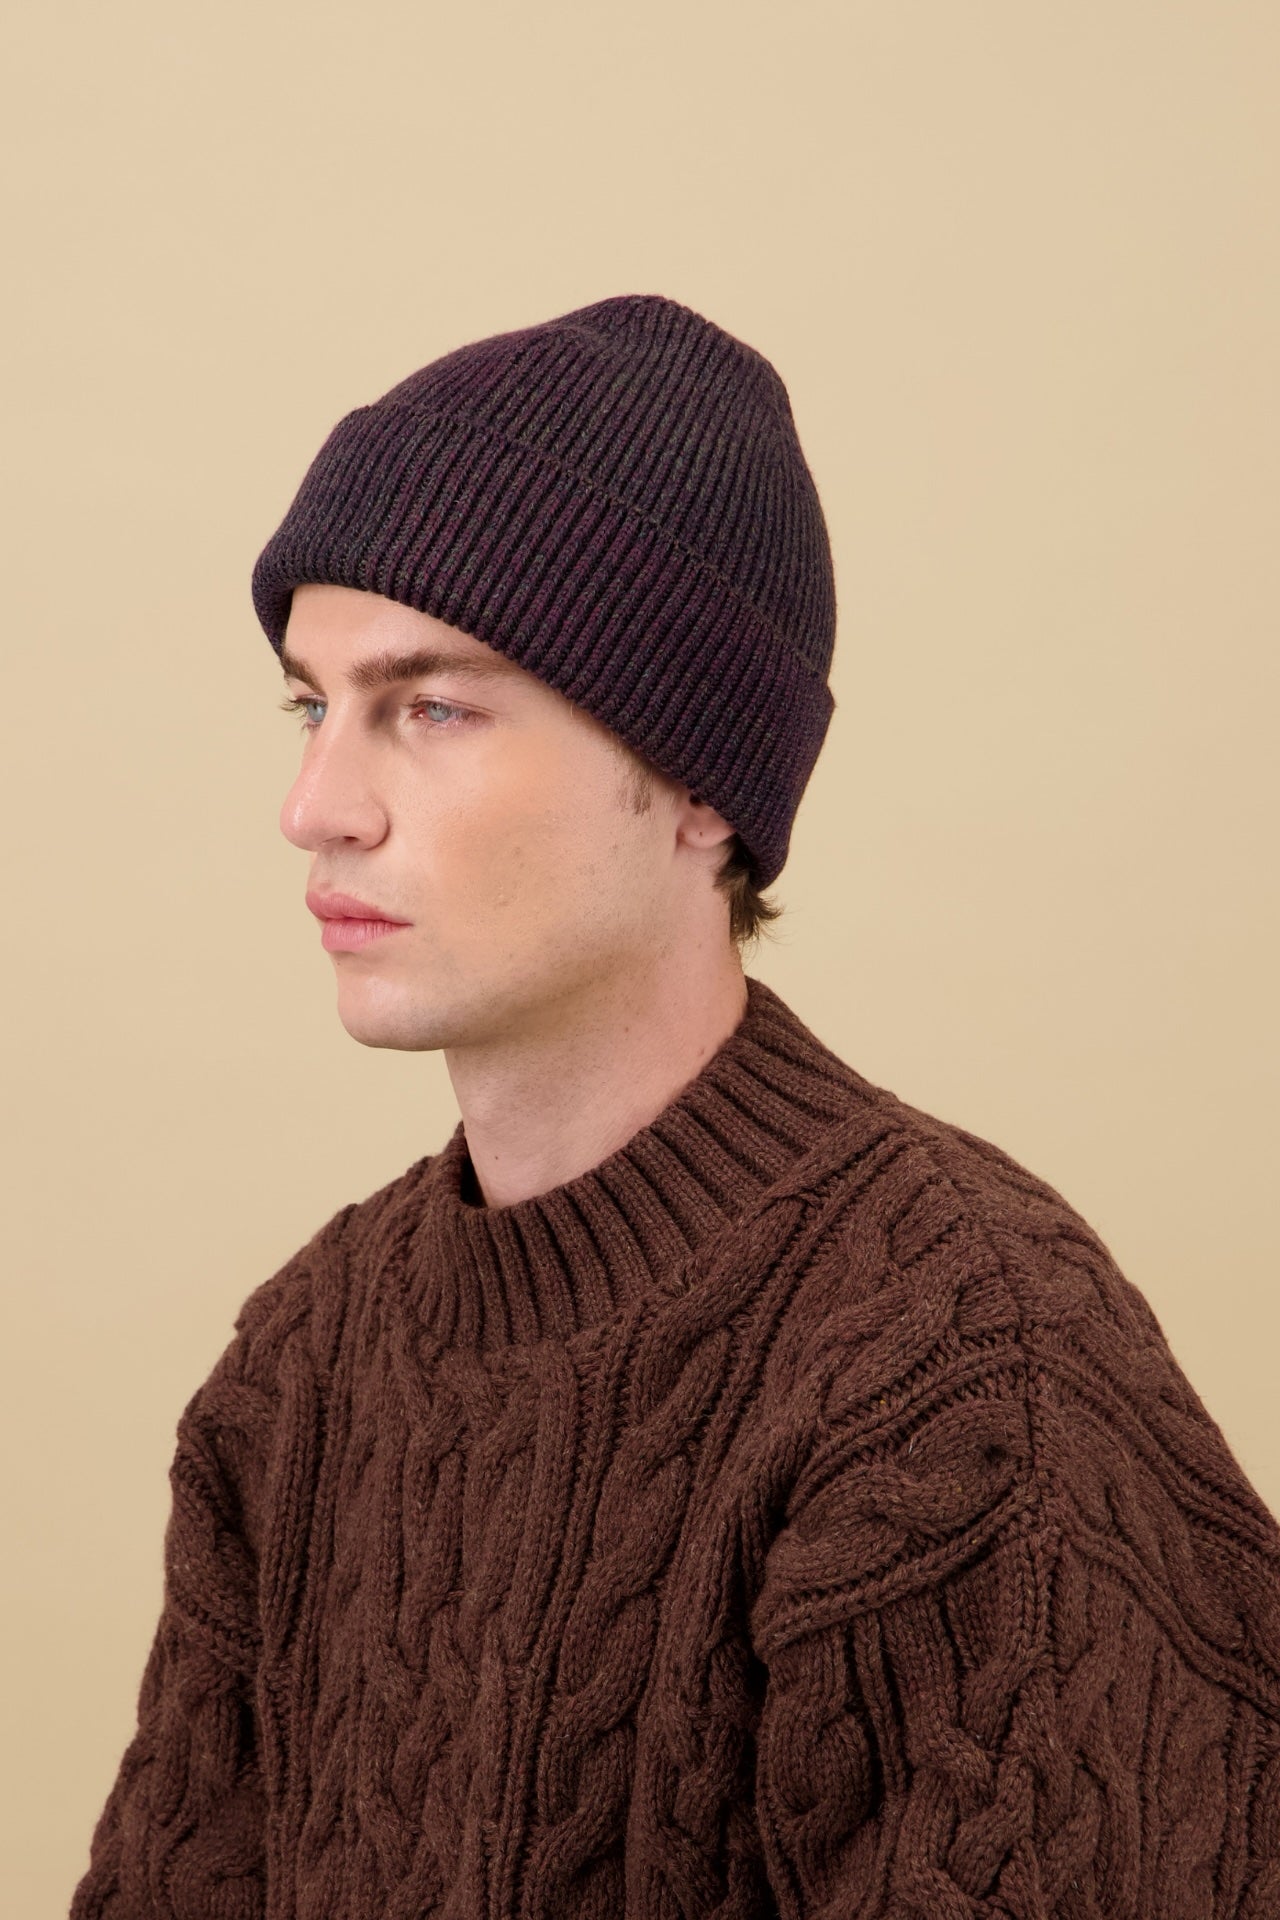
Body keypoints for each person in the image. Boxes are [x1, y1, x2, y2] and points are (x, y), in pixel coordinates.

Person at [71, 294, 1280, 1920]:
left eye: (430, 706)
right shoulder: (299, 1373)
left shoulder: (957, 1364)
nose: (317, 806)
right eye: (313, 704)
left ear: (704, 781)